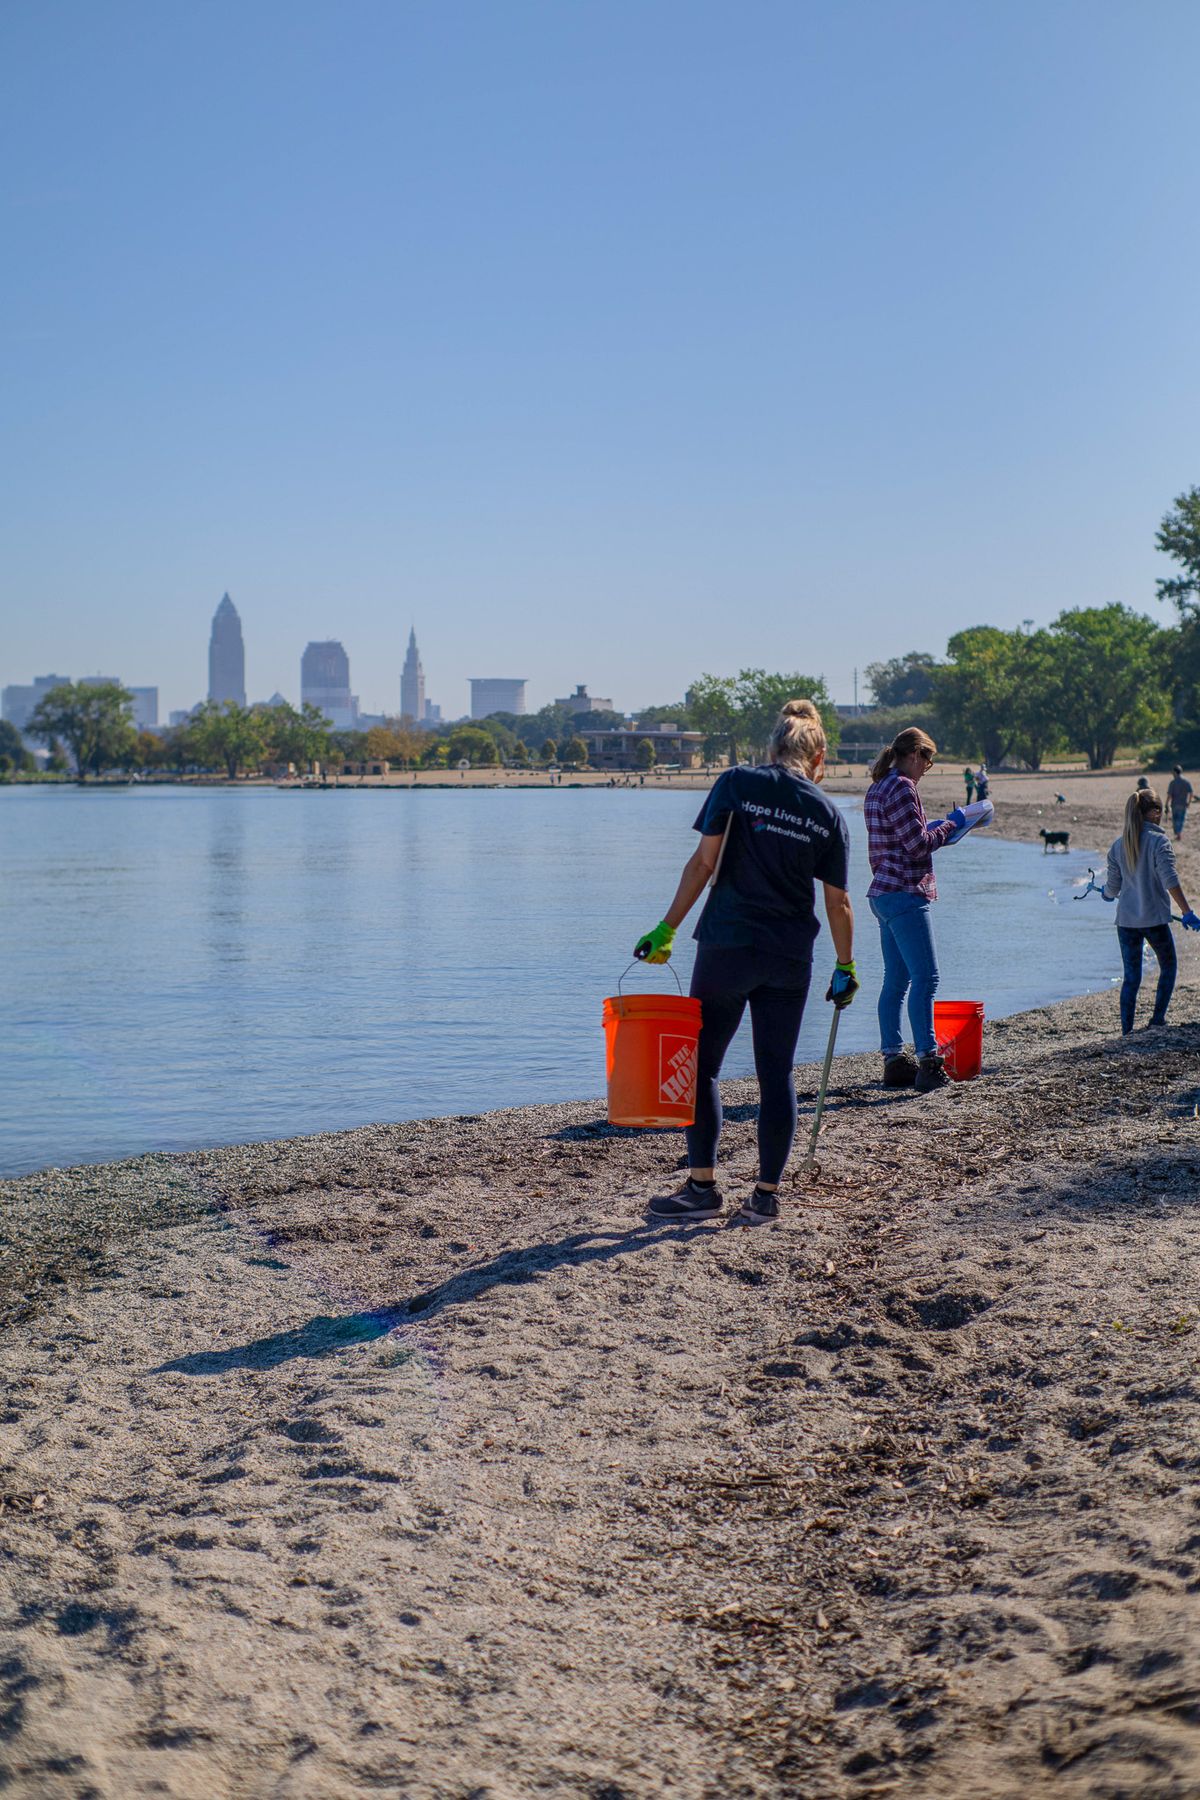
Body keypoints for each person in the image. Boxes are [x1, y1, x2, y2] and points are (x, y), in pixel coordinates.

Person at [632, 700, 855, 1227]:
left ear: (771, 747)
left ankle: (702, 1187)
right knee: (775, 1075)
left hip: (727, 947)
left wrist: (667, 927)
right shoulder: (827, 813)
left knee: (702, 1068)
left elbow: (704, 863)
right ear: (817, 756)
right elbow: (839, 903)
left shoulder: (735, 783)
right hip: (788, 957)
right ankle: (765, 1196)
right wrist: (845, 966)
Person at [864, 728, 968, 1092]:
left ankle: (893, 1059)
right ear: (913, 754)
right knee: (926, 978)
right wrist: (952, 827)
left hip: (882, 894)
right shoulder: (904, 787)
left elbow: (896, 840)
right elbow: (916, 844)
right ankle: (928, 1060)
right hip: (906, 892)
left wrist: (932, 828)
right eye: (928, 758)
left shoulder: (877, 787)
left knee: (896, 980)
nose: (929, 766)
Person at [1103, 788, 1200, 1032]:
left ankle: (1127, 1030)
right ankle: (1157, 1020)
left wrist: (1105, 893)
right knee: (1168, 966)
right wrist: (1187, 912)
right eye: (1159, 811)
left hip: (1126, 921)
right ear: (1155, 812)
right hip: (1154, 919)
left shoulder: (1118, 845)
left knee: (1131, 977)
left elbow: (1113, 889)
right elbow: (1171, 881)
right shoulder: (1159, 841)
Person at [1166, 766, 1193, 840]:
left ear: (1175, 772)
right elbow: (1191, 793)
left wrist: (1166, 804)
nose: (1172, 773)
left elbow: (1169, 795)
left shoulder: (1173, 782)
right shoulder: (1186, 782)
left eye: (1172, 772)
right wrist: (1189, 802)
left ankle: (1178, 834)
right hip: (1183, 804)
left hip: (1174, 804)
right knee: (1181, 820)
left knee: (1175, 820)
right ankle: (1179, 833)